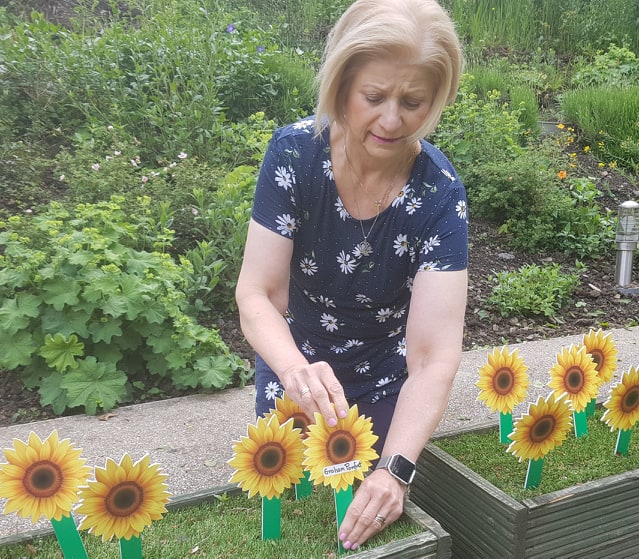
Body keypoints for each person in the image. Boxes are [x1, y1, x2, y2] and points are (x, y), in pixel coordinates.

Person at [235, 0, 467, 550]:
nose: (392, 121)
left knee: (375, 506)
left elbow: (433, 357)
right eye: (374, 97)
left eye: (413, 102)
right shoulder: (294, 154)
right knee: (287, 511)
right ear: (341, 88)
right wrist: (294, 369)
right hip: (297, 371)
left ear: (436, 100)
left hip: (387, 380)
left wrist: (397, 471)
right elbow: (258, 294)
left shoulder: (439, 194)